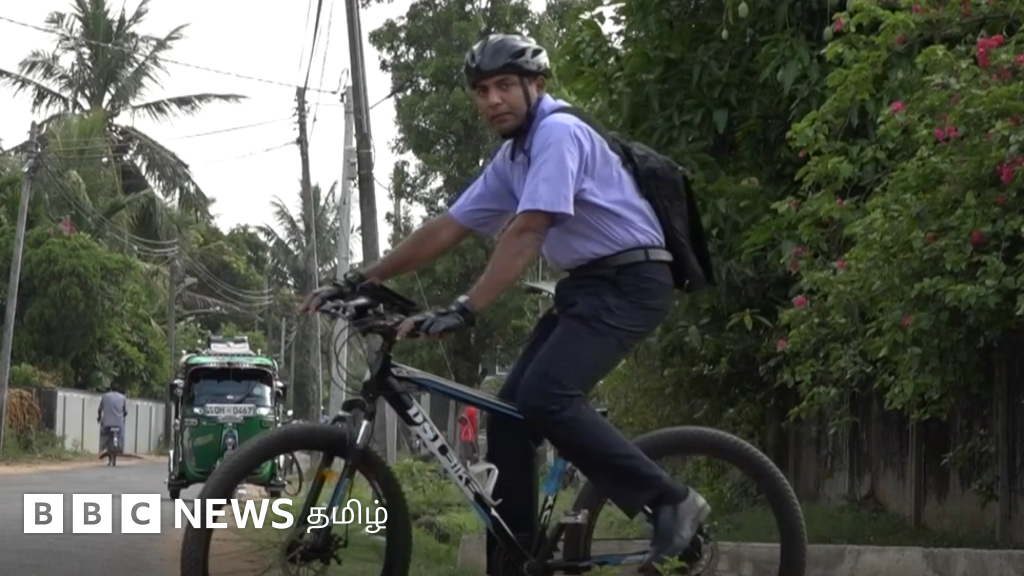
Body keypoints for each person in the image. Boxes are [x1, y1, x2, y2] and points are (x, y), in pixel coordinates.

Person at [300, 33, 710, 574]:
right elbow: (448, 227)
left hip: (632, 280)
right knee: (513, 418)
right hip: (587, 287)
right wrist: (360, 276)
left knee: (546, 396)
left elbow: (528, 231)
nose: (492, 99)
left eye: (505, 86)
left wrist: (465, 306)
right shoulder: (513, 157)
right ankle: (514, 559)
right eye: (482, 90)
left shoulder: (559, 133)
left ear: (535, 87)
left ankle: (670, 500)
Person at [97, 384, 127, 460]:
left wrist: (99, 417)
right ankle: (120, 447)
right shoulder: (123, 397)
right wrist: (123, 417)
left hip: (107, 423)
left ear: (111, 389)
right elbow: (125, 411)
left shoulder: (105, 396)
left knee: (104, 434)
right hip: (118, 424)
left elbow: (100, 409)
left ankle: (103, 447)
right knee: (121, 434)